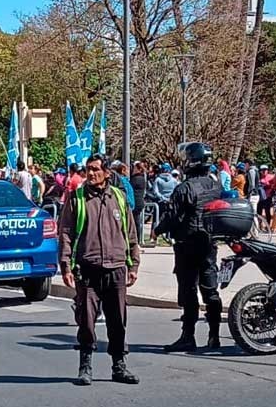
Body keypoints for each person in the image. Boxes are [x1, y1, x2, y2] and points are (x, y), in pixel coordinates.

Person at [58, 154, 140, 386]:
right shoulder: (77, 199)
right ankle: (85, 366)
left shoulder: (119, 198)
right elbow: (65, 233)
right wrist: (66, 266)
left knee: (118, 320)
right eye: (88, 169)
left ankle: (119, 366)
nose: (91, 173)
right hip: (88, 268)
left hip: (116, 267)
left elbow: (130, 233)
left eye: (95, 169)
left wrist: (133, 263)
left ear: (107, 173)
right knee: (86, 320)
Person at [158, 143, 223, 352]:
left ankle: (188, 336)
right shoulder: (216, 186)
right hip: (209, 244)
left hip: (188, 245)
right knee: (210, 289)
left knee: (189, 291)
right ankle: (214, 336)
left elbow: (172, 216)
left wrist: (157, 230)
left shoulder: (184, 188)